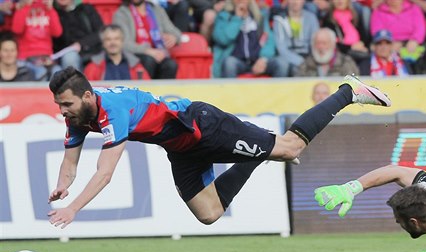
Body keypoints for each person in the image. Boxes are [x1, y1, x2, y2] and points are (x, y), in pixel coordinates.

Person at [46, 67, 391, 229]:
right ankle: (255, 157)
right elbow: (71, 163)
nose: (63, 111)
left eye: (66, 104)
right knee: (209, 214)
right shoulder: (77, 118)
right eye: (60, 105)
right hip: (181, 148)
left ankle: (347, 91)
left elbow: (105, 173)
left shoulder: (113, 112)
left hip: (201, 126)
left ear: (87, 96)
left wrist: (74, 209)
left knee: (289, 149)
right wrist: (64, 185)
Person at [212, 0, 288, 78]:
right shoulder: (224, 16)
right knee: (229, 63)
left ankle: (276, 91)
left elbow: (269, 39)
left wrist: (263, 59)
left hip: (258, 60)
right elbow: (223, 39)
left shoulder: (259, 16)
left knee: (281, 63)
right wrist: (237, 18)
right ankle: (230, 90)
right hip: (237, 61)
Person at [112, 0, 180, 79]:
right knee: (149, 60)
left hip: (158, 53)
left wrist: (174, 38)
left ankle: (164, 91)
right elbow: (123, 43)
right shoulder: (121, 14)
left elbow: (176, 33)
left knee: (171, 65)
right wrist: (147, 50)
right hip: (134, 55)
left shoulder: (157, 10)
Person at [11, 0, 62, 80]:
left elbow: (57, 33)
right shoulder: (22, 9)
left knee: (57, 71)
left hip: (45, 56)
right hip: (26, 57)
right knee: (41, 72)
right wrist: (26, 6)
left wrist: (50, 9)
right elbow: (17, 30)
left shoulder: (48, 10)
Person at [83, 25, 151, 81]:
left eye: (116, 39)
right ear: (103, 43)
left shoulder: (136, 66)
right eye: (108, 39)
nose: (113, 43)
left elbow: (147, 89)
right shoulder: (93, 67)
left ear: (122, 41)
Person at [272, 0, 320, 77]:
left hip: (307, 56)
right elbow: (281, 48)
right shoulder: (279, 19)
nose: (295, 2)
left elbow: (315, 42)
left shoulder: (311, 18)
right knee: (283, 65)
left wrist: (310, 60)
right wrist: (300, 61)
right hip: (286, 57)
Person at [53, 0, 104, 71]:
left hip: (91, 50)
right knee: (69, 58)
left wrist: (81, 44)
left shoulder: (86, 9)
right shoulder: (53, 12)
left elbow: (101, 32)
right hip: (65, 54)